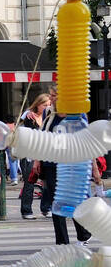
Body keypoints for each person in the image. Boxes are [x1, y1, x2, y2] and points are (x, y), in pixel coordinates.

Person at [39, 88, 94, 246]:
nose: (51, 98)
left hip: (71, 163)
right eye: (50, 95)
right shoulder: (48, 113)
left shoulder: (78, 113)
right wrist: (38, 160)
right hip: (51, 162)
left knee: (73, 201)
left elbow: (85, 141)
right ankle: (62, 243)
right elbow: (43, 136)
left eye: (54, 95)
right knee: (56, 201)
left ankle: (83, 233)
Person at [19, 93, 51, 219]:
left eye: (49, 105)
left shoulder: (49, 118)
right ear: (37, 105)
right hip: (29, 154)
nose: (47, 107)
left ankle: (46, 208)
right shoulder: (29, 117)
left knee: (47, 182)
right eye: (45, 105)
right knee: (30, 181)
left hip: (44, 153)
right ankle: (26, 210)